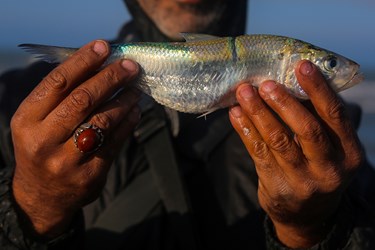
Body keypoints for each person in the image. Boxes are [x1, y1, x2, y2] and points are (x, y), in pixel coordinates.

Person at [0, 0, 375, 249]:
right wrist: (32, 207)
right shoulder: (15, 99)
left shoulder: (332, 141)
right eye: (329, 63)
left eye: (329, 65)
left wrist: (311, 229)